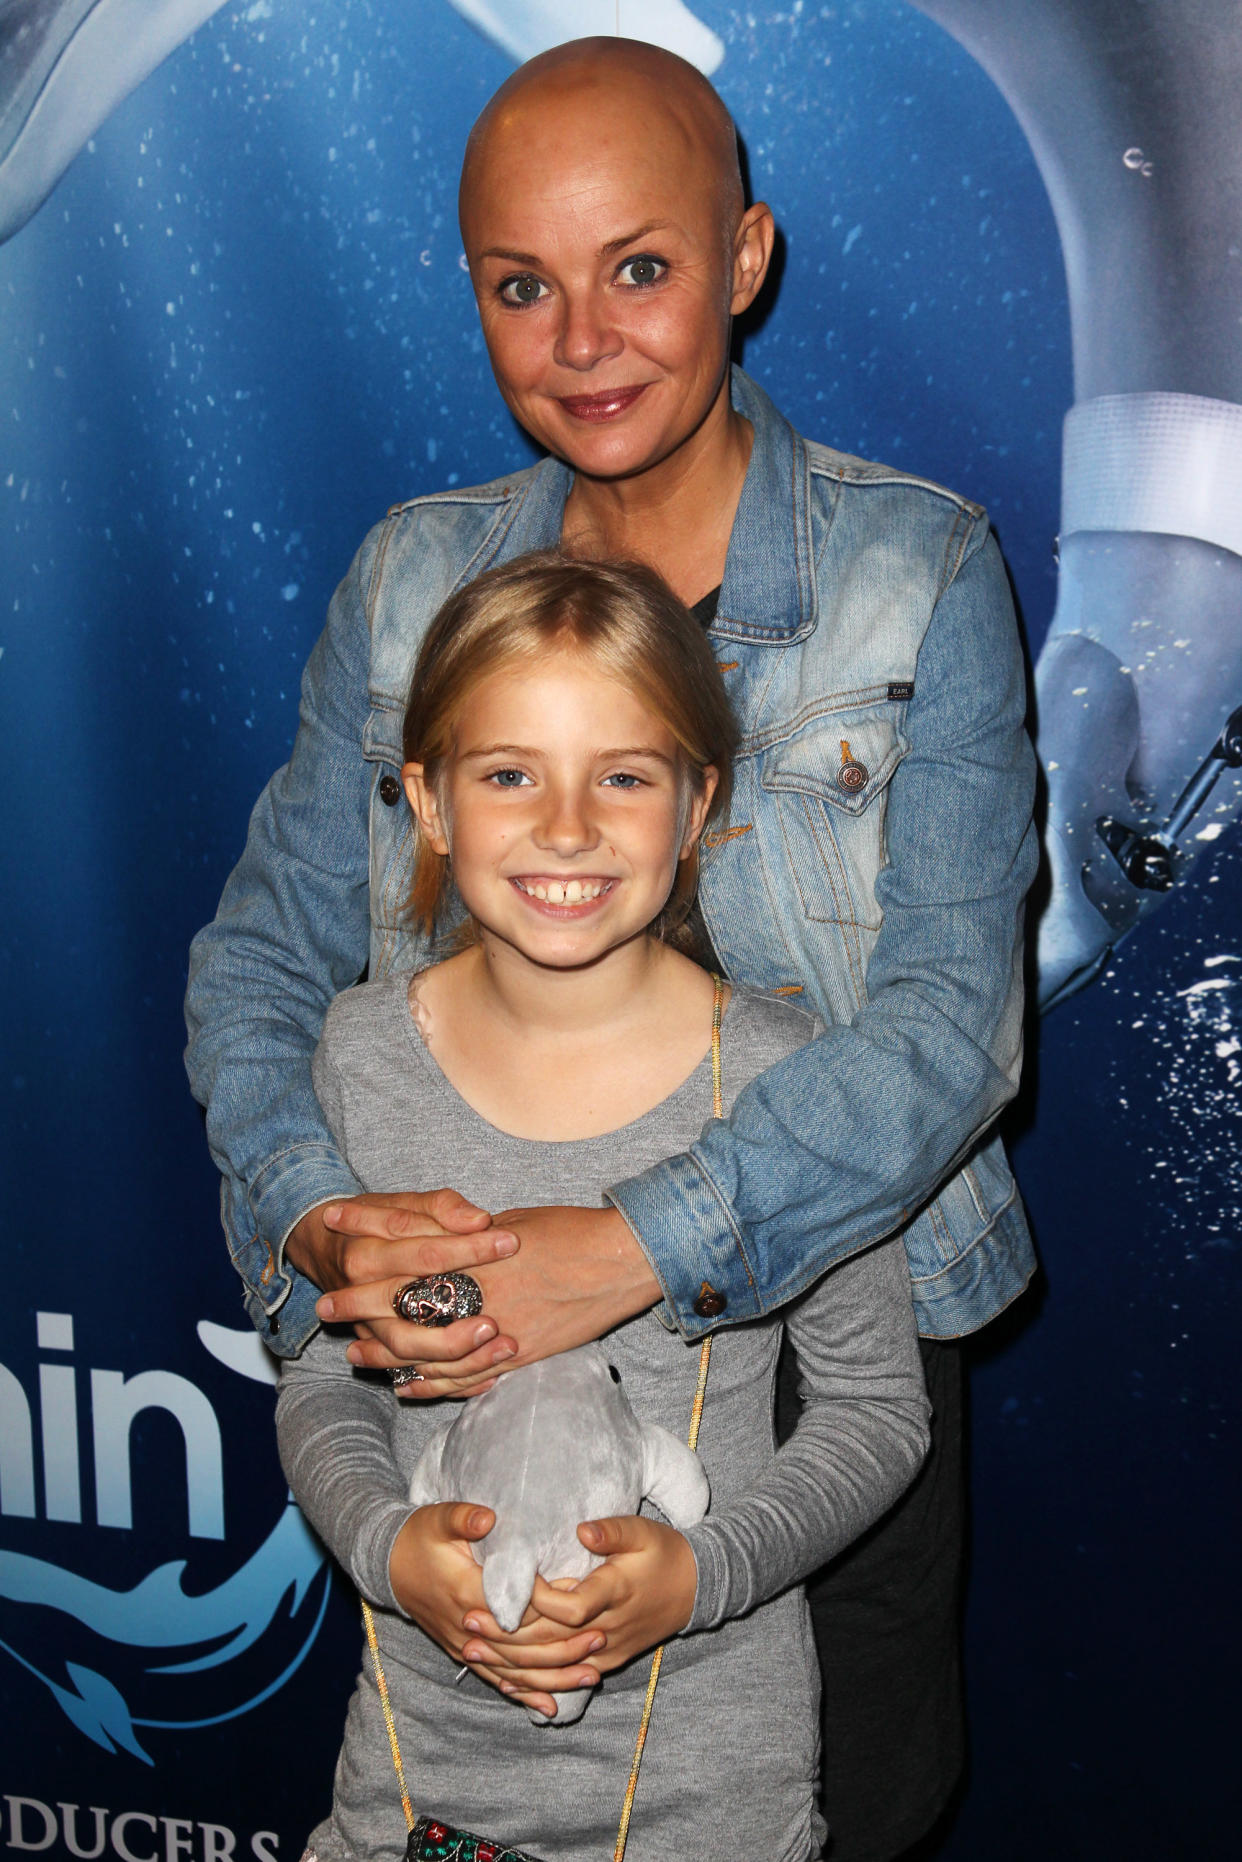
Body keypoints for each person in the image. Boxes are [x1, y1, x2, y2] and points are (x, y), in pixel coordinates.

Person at [185, 36, 1038, 1860]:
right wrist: (323, 1218)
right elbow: (262, 959)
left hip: (818, 1345)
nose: (581, 339)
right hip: (462, 1325)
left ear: (744, 257)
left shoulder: (920, 574)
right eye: (522, 286)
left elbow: (951, 1029)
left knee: (836, 1805)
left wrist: (636, 1245)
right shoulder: (413, 582)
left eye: (638, 267)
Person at [276, 551, 930, 1862]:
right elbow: (320, 1378)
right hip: (410, 1801)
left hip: (711, 1812)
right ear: (428, 799)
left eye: (622, 775)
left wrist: (702, 1571)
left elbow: (875, 1409)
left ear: (697, 806)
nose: (566, 825)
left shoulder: (788, 1078)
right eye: (509, 771)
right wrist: (388, 1547)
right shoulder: (357, 1056)